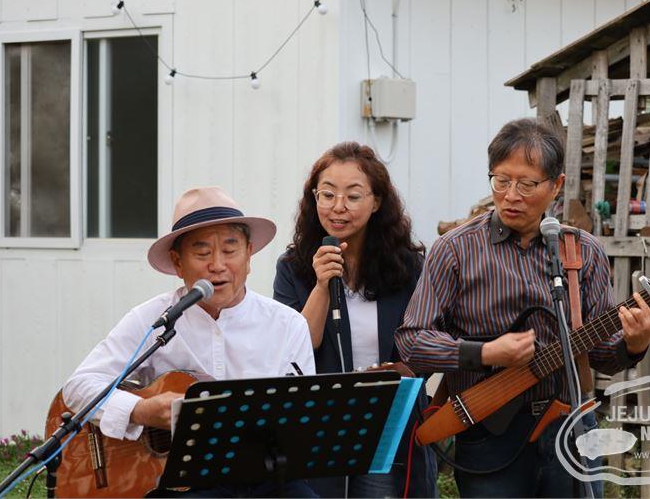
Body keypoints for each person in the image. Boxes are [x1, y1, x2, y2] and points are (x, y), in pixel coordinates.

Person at [395, 118, 650, 498]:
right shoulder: (455, 250)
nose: (511, 195)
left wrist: (634, 343)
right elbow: (411, 341)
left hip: (571, 429)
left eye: (527, 184)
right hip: (487, 432)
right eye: (501, 180)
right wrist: (484, 353)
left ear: (557, 186)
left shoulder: (583, 251)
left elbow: (601, 354)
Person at [64, 186, 316, 498]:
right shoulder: (153, 319)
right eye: (201, 253)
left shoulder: (288, 325)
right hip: (180, 484)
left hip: (266, 479)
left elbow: (302, 422)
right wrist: (141, 410)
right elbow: (79, 386)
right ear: (178, 262)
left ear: (249, 254)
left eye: (230, 249)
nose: (217, 265)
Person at [273, 142, 438, 498]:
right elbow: (293, 349)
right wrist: (320, 285)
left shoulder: (409, 267)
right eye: (327, 194)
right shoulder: (293, 268)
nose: (338, 207)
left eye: (353, 196)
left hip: (390, 421)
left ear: (376, 201)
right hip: (322, 425)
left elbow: (427, 344)